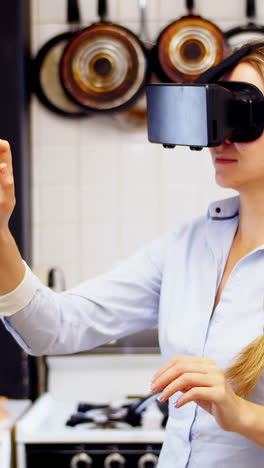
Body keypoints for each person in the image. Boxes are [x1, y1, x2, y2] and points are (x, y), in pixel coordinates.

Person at [1, 42, 264, 468]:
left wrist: (243, 414)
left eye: (243, 113)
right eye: (218, 112)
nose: (224, 135)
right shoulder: (188, 246)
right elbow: (55, 328)